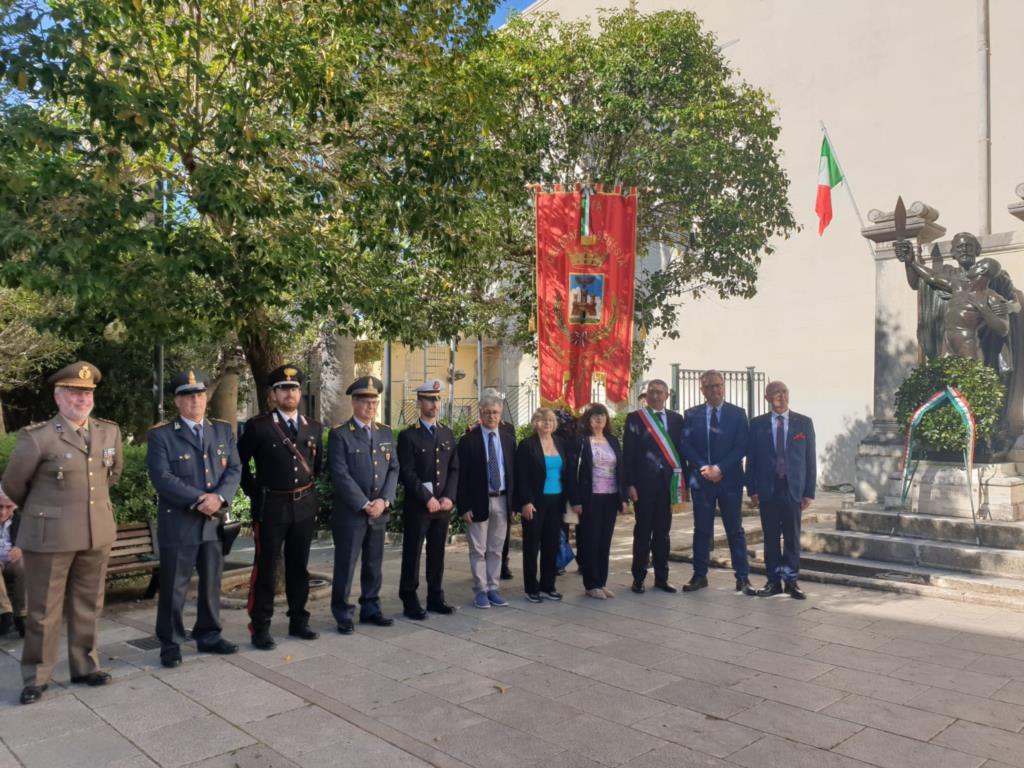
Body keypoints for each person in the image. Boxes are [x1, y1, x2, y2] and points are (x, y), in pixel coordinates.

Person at [0, 361, 123, 704]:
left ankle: (85, 666)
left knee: (88, 604)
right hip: (50, 536)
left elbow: (112, 475)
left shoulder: (107, 432)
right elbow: (14, 485)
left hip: (96, 532)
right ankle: (37, 677)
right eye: (73, 392)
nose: (81, 399)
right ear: (58, 396)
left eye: (86, 393)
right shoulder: (37, 437)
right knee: (43, 609)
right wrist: (46, 511)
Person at [147, 369, 242, 668]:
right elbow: (162, 477)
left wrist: (220, 497)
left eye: (200, 395)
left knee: (212, 582)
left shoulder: (222, 430)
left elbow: (234, 469)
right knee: (175, 585)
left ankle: (209, 634)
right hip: (180, 522)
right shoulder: (162, 435)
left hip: (214, 521)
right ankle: (171, 642)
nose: (195, 401)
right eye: (188, 397)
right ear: (177, 402)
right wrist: (200, 499)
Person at [238, 365, 323, 650]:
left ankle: (299, 620)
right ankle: (260, 625)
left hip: (303, 505)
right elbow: (239, 465)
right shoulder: (258, 426)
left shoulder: (314, 427)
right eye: (284, 388)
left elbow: (316, 467)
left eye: (295, 388)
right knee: (266, 566)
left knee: (299, 566)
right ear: (273, 394)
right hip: (271, 505)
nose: (290, 393)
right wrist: (254, 492)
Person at [327, 376, 399, 634]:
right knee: (346, 564)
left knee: (374, 563)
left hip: (379, 511)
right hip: (351, 513)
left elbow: (393, 468)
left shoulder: (385, 432)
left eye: (374, 402)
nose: (371, 407)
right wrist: (364, 503)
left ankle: (371, 607)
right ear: (354, 403)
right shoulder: (340, 434)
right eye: (366, 402)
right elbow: (340, 474)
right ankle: (342, 612)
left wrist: (384, 500)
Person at [680, 370, 756, 596]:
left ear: (723, 387)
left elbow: (742, 446)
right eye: (709, 386)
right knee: (702, 530)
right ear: (701, 389)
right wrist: (706, 468)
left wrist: (720, 468)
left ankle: (742, 577)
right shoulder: (691, 414)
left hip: (729, 480)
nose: (714, 389)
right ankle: (699, 575)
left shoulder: (738, 414)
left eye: (718, 385)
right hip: (702, 482)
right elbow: (685, 445)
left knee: (735, 530)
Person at [747, 381, 816, 600]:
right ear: (767, 397)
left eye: (784, 392)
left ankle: (792, 581)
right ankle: (773, 581)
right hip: (767, 489)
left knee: (792, 537)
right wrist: (752, 489)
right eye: (775, 393)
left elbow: (810, 460)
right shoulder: (757, 424)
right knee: (770, 537)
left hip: (792, 488)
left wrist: (809, 492)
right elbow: (752, 459)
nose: (781, 396)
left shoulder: (803, 423)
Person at [396, 380, 459, 620]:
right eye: (429, 400)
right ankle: (409, 599)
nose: (434, 404)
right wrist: (427, 498)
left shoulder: (446, 433)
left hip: (442, 505)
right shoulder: (409, 435)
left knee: (437, 552)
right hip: (419, 507)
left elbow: (454, 468)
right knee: (412, 553)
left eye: (437, 399)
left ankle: (435, 596)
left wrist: (449, 497)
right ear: (419, 403)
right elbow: (407, 472)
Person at [622, 379, 684, 593]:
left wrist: (683, 484)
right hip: (643, 486)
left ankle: (661, 577)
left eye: (659, 392)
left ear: (667, 395)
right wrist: (628, 484)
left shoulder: (677, 419)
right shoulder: (635, 418)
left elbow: (680, 453)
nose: (655, 396)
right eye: (651, 392)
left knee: (663, 533)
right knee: (642, 532)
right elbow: (627, 454)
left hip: (668, 486)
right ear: (646, 396)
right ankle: (638, 578)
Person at [457, 394, 516, 608]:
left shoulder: (508, 439)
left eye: (495, 412)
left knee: (496, 549)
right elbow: (461, 476)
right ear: (480, 413)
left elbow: (512, 473)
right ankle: (480, 590)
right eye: (487, 412)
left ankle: (493, 588)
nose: (491, 416)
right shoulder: (468, 440)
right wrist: (463, 506)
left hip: (502, 500)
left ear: (501, 415)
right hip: (478, 501)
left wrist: (513, 504)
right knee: (478, 549)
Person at [568, 403, 626, 599]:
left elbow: (621, 470)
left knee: (604, 541)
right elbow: (571, 473)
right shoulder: (581, 441)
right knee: (590, 540)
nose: (599, 420)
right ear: (588, 420)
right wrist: (575, 500)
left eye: (602, 416)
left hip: (610, 497)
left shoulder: (612, 440)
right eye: (594, 417)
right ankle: (591, 583)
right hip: (589, 498)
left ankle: (601, 581)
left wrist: (623, 497)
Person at [514, 407, 568, 603]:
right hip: (535, 502)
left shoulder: (560, 443)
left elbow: (565, 472)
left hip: (557, 500)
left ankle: (548, 585)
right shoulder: (527, 445)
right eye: (544, 420)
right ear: (535, 423)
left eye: (551, 420)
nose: (548, 423)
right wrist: (525, 502)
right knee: (531, 545)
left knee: (551, 545)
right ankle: (531, 588)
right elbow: (522, 476)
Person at [0, 498, 25, 637]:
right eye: (0, 507)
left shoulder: (19, 519)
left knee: (23, 567)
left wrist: (20, 547)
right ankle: (5, 613)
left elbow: (29, 539)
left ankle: (21, 615)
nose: (3, 512)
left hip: (12, 560)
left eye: (8, 507)